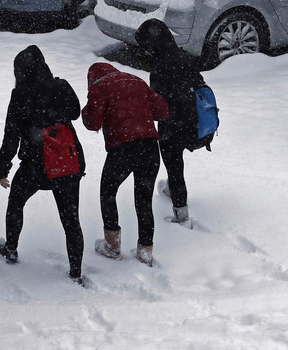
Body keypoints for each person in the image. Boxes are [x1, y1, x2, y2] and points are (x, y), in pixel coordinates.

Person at [0, 45, 87, 284]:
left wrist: (3, 166)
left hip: (35, 165)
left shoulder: (20, 94)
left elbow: (11, 134)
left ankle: (11, 248)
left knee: (16, 202)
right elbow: (76, 113)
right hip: (66, 163)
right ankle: (76, 272)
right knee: (71, 220)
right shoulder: (61, 86)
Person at [82, 62, 169, 267]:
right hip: (149, 147)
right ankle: (145, 250)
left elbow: (92, 123)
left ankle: (112, 246)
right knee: (144, 199)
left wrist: (90, 107)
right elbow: (162, 111)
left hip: (122, 149)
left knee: (108, 192)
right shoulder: (135, 80)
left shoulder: (99, 87)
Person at [134, 19, 205, 228]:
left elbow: (158, 103)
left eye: (146, 47)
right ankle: (171, 190)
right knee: (176, 163)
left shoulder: (159, 68)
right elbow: (199, 85)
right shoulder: (185, 57)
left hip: (172, 126)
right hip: (193, 122)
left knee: (175, 167)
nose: (146, 52)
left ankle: (182, 215)